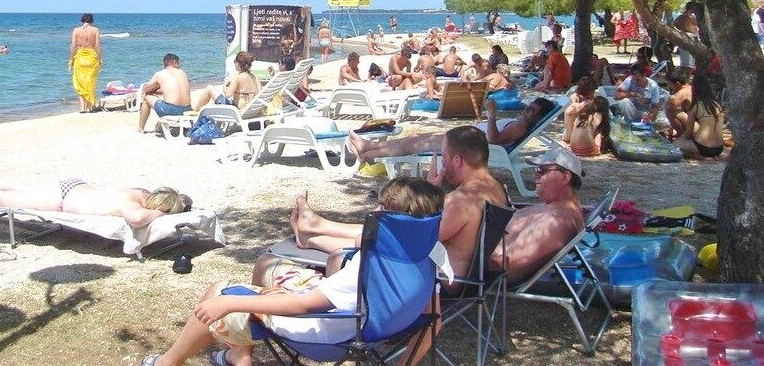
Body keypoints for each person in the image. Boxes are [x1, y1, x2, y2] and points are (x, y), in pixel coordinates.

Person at [140, 178, 445, 366]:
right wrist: (309, 237)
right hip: (370, 324)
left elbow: (303, 305)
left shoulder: (369, 270)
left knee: (220, 291)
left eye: (380, 207)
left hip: (329, 332)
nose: (374, 212)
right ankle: (238, 355)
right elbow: (434, 318)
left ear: (393, 221)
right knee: (268, 265)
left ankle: (169, 362)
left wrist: (231, 303)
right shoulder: (429, 252)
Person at [294, 127, 507, 280]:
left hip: (440, 276)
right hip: (464, 272)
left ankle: (312, 238)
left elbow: (414, 238)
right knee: (385, 228)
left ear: (458, 160)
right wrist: (431, 191)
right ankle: (316, 225)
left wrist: (419, 191)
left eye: (444, 156)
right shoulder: (494, 188)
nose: (442, 162)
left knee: (377, 234)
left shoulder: (463, 201)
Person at [347, 98, 554, 163]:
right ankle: (369, 149)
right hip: (467, 137)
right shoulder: (518, 123)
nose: (528, 109)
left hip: (469, 144)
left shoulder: (519, 127)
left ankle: (369, 153)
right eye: (530, 105)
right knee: (415, 138)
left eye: (533, 110)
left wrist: (491, 114)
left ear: (537, 116)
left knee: (414, 144)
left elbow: (494, 139)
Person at [491, 148, 586, 282]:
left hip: (482, 273)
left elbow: (504, 265)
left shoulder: (557, 222)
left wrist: (466, 253)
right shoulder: (554, 209)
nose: (535, 175)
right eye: (536, 170)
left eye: (543, 170)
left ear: (565, 177)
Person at [0, 181, 191, 229]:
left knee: (22, 189)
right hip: (62, 201)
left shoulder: (139, 192)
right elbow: (136, 220)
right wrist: (159, 213)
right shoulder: (133, 206)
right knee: (2, 202)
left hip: (74, 186)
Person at [672, 72, 726, 159]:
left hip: (703, 148)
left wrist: (681, 138)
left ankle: (700, 156)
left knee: (675, 144)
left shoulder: (696, 106)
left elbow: (688, 134)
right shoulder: (717, 105)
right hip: (719, 148)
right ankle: (708, 156)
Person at [192, 51, 262, 113]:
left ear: (238, 63)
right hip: (251, 109)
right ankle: (196, 110)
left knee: (209, 88)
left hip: (234, 109)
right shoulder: (255, 76)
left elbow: (228, 94)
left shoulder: (238, 77)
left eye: (235, 61)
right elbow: (260, 92)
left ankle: (196, 110)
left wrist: (225, 85)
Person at [138, 53, 193, 132]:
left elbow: (145, 88)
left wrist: (151, 91)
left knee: (147, 97)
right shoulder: (183, 73)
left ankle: (141, 128)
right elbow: (174, 90)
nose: (180, 65)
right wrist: (158, 90)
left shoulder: (160, 74)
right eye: (179, 63)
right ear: (174, 62)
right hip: (187, 110)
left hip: (170, 110)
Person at [69, 13, 102, 113]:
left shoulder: (76, 30)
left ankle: (82, 107)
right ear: (91, 20)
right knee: (90, 82)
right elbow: (98, 46)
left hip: (80, 57)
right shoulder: (95, 30)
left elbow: (73, 46)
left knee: (80, 83)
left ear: (82, 20)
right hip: (92, 57)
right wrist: (100, 58)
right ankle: (89, 107)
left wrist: (71, 59)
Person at [663, 68, 694, 136]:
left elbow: (670, 108)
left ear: (677, 83)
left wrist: (670, 99)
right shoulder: (690, 88)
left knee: (669, 111)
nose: (669, 87)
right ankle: (681, 133)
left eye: (670, 84)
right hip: (695, 122)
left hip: (695, 125)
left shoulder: (683, 92)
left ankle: (682, 135)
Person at [674, 2, 700, 68]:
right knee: (687, 59)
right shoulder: (685, 17)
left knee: (689, 59)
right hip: (686, 37)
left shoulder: (689, 17)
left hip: (688, 37)